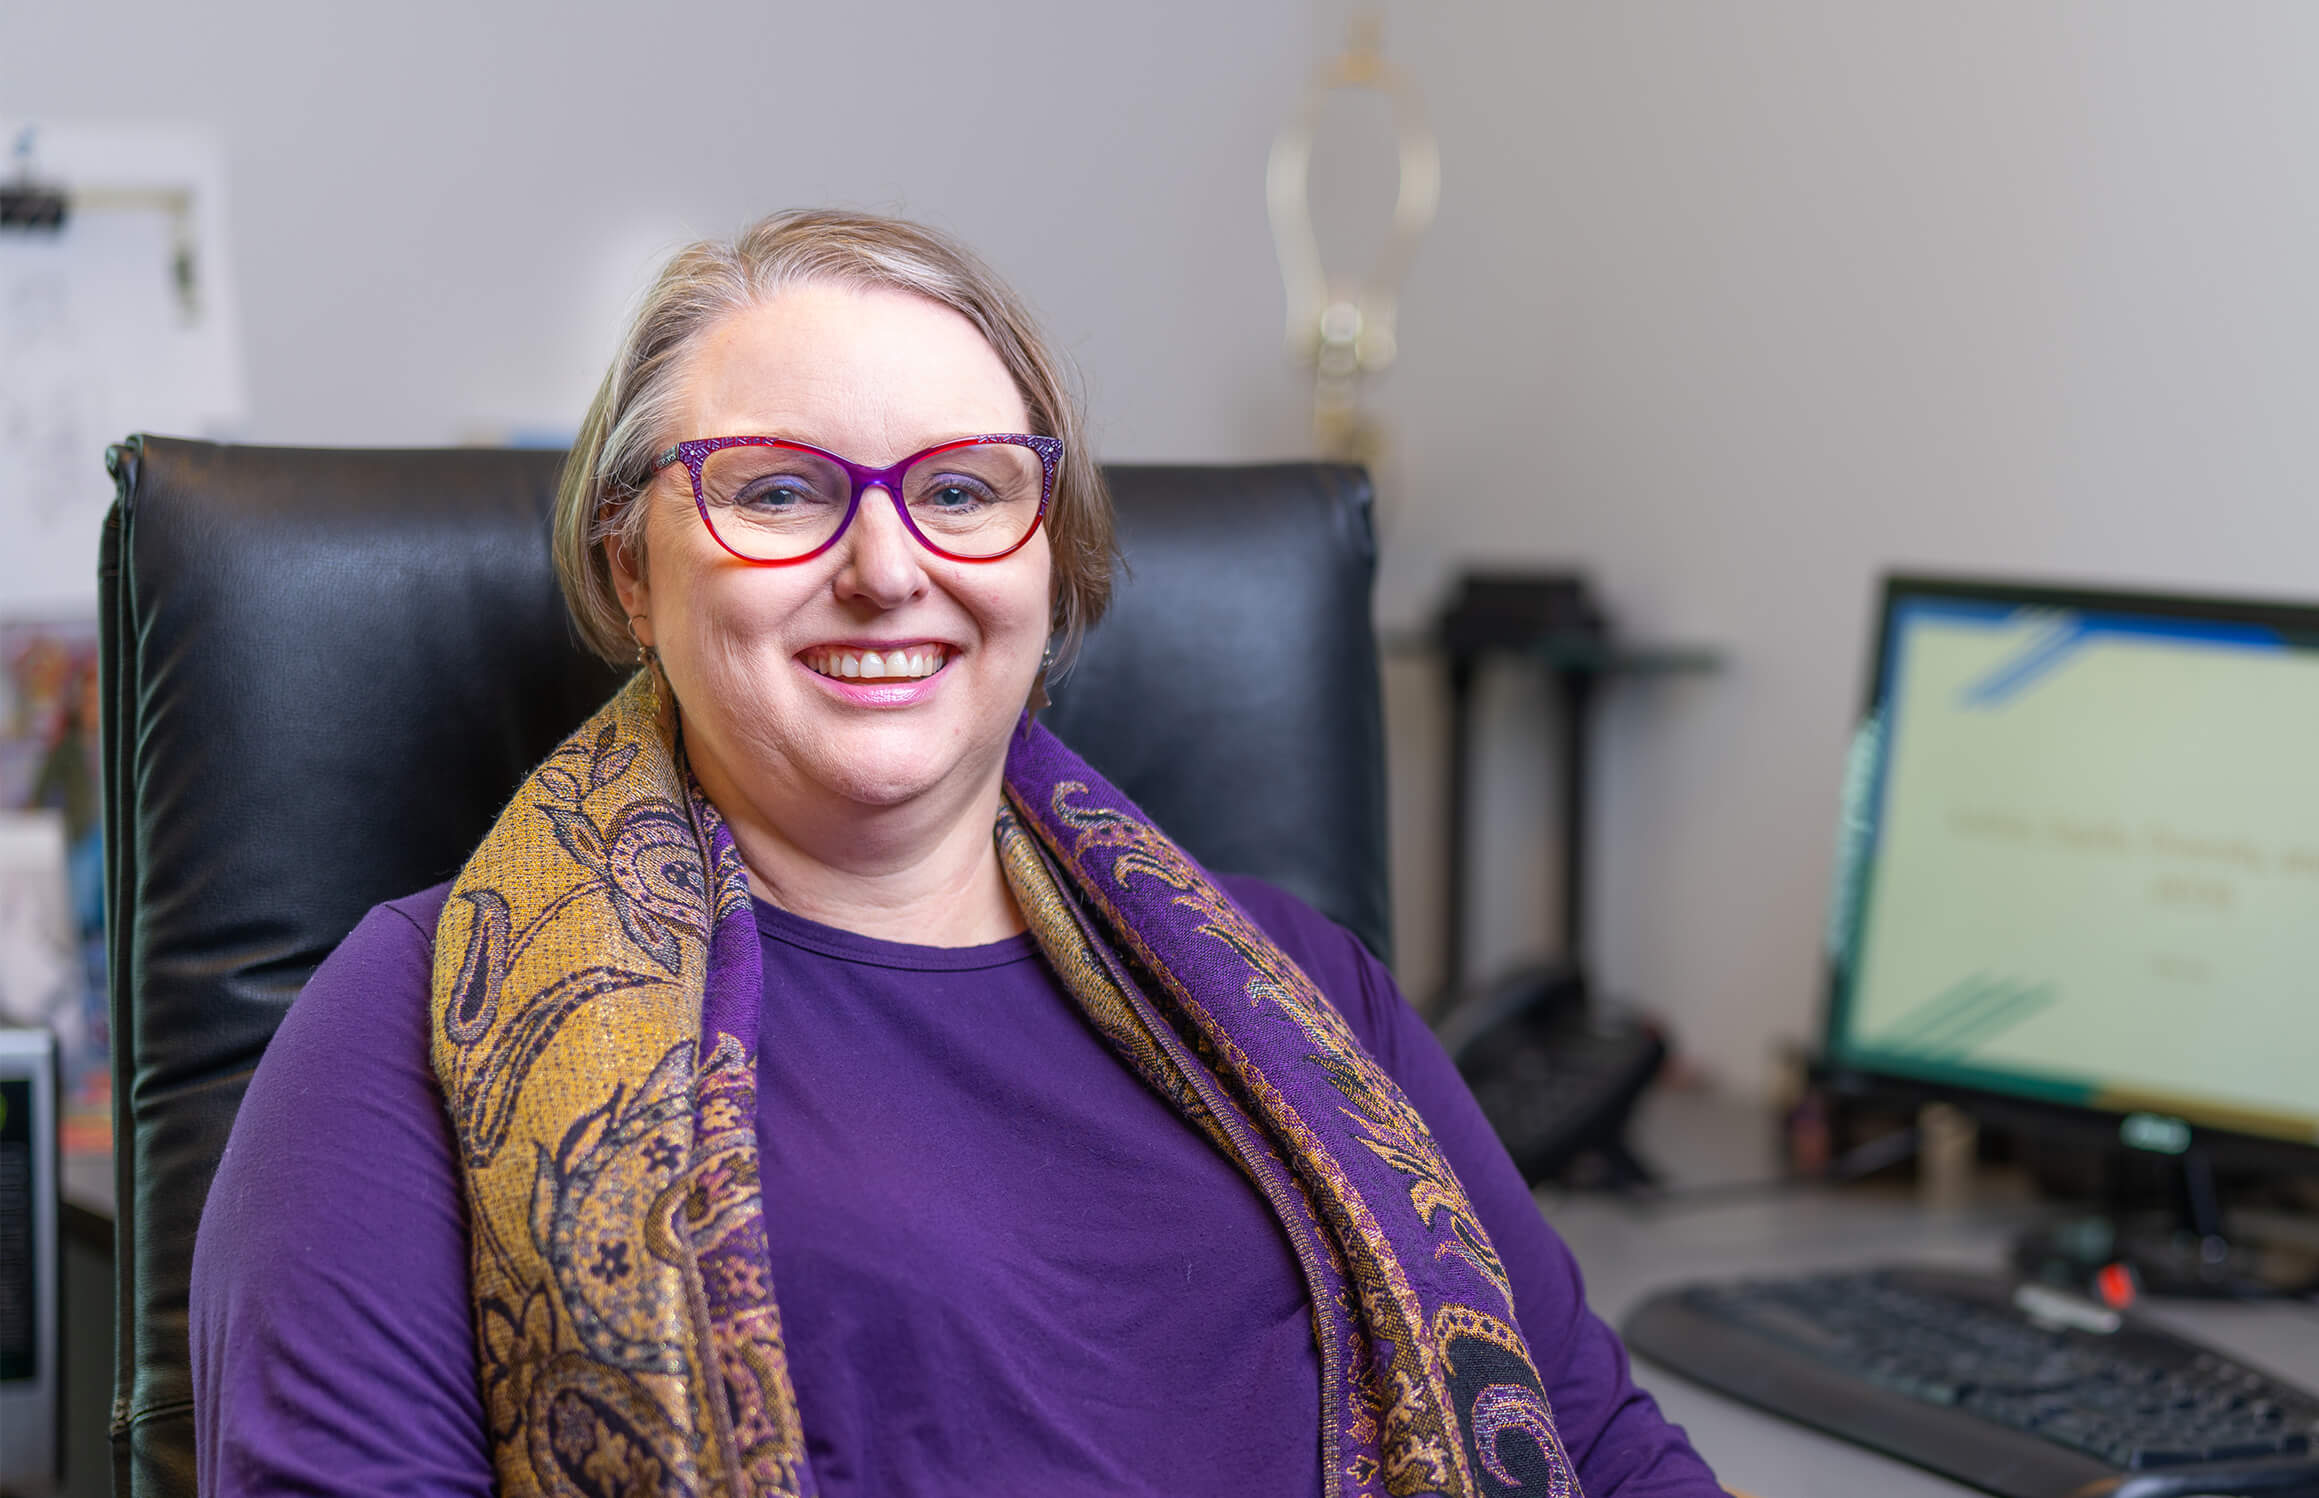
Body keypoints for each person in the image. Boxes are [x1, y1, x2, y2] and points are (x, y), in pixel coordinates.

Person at [189, 209, 1723, 1498]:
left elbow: (1598, 1445)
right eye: (780, 489)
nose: (884, 564)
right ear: (629, 570)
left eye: (963, 490)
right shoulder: (412, 1016)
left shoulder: (1309, 989)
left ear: (1050, 563)